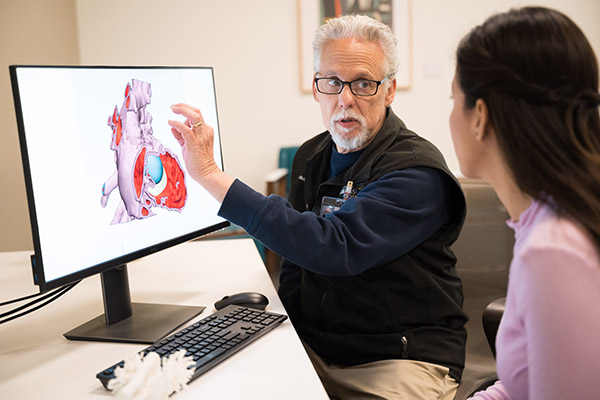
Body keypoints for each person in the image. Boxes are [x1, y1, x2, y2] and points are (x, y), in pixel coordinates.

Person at [169, 15, 467, 399]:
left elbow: (333, 247)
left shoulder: (417, 172)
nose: (345, 99)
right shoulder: (313, 155)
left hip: (399, 360)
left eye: (363, 83)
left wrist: (210, 174)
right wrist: (284, 331)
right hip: (319, 347)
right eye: (332, 82)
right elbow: (296, 262)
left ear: (389, 90)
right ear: (317, 89)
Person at [450, 6, 600, 400]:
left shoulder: (553, 250)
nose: (450, 116)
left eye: (453, 100)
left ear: (479, 116)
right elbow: (532, 382)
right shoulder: (544, 219)